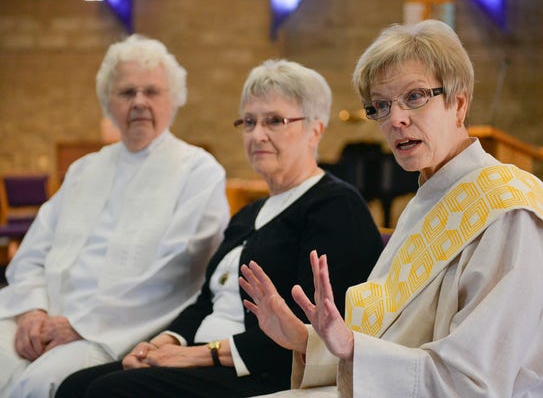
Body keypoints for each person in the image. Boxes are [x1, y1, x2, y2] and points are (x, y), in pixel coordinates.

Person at [239, 20, 543, 397]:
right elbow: (392, 336)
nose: (395, 119)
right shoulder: (430, 198)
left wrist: (350, 347)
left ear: (459, 103)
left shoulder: (509, 209)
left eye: (415, 96)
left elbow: (475, 381)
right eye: (381, 105)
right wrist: (303, 337)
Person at [55, 58, 383, 398]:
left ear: (315, 130)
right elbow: (206, 301)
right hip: (205, 356)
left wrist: (196, 355)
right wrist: (162, 343)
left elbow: (310, 326)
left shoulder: (335, 207)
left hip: (264, 370)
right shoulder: (248, 213)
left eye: (274, 121)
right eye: (249, 121)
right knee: (74, 386)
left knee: (110, 393)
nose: (257, 134)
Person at [0, 34, 230, 398]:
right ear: (108, 101)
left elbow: (177, 274)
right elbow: (33, 253)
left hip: (114, 330)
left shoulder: (198, 172)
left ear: (174, 98)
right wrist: (31, 311)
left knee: (40, 384)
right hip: (42, 320)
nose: (139, 102)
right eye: (127, 92)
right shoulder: (83, 170)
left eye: (151, 91)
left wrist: (81, 324)